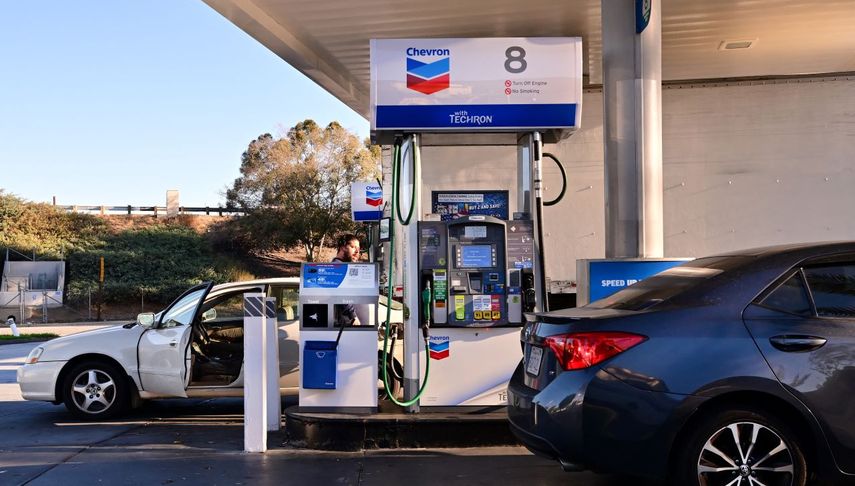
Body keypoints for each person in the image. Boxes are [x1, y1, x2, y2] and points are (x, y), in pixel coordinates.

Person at [332, 233, 361, 326]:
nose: (357, 252)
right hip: (344, 321)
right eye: (353, 247)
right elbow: (341, 293)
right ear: (343, 247)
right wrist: (353, 316)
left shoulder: (342, 266)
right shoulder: (337, 266)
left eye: (358, 249)